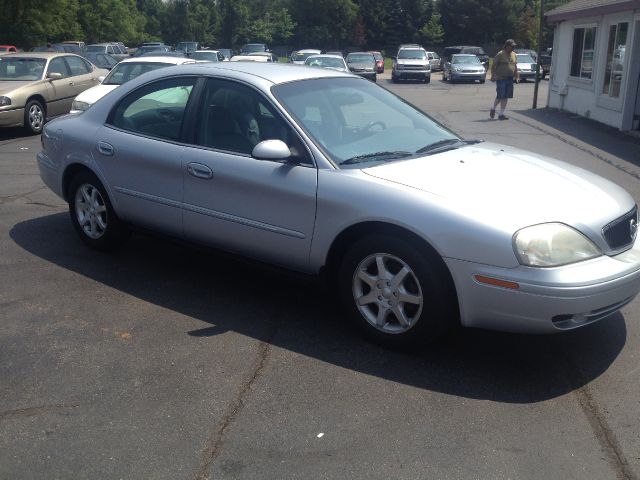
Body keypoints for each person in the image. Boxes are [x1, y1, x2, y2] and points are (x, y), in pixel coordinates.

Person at [490, 39, 519, 120]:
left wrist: (517, 77)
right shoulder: (500, 54)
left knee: (506, 96)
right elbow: (493, 66)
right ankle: (493, 108)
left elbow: (515, 67)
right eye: (511, 46)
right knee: (500, 95)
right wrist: (493, 75)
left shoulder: (514, 54)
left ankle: (501, 114)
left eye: (514, 46)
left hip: (510, 78)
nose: (513, 48)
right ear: (506, 46)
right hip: (501, 78)